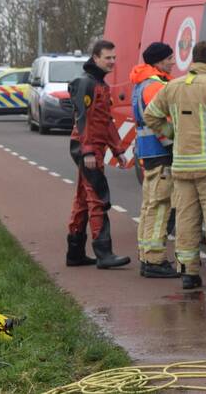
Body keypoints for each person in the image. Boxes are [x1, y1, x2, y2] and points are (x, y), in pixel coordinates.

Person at [144, 40, 206, 291]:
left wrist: (172, 132)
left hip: (181, 165)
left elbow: (151, 114)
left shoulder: (173, 86)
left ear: (193, 58)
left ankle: (188, 274)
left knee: (185, 221)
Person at [66, 39, 132, 270]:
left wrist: (118, 150)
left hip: (93, 147)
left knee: (83, 199)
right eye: (108, 58)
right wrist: (87, 152)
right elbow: (81, 119)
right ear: (95, 58)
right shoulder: (87, 84)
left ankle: (74, 252)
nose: (113, 62)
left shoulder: (99, 84)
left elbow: (106, 121)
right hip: (87, 147)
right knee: (99, 198)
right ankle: (104, 253)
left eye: (114, 57)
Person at [130, 42, 178, 279]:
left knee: (150, 205)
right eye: (169, 58)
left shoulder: (141, 84)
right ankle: (155, 259)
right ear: (159, 62)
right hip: (161, 153)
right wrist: (175, 142)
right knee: (160, 207)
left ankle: (146, 254)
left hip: (148, 153)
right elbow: (161, 120)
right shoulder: (156, 86)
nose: (173, 62)